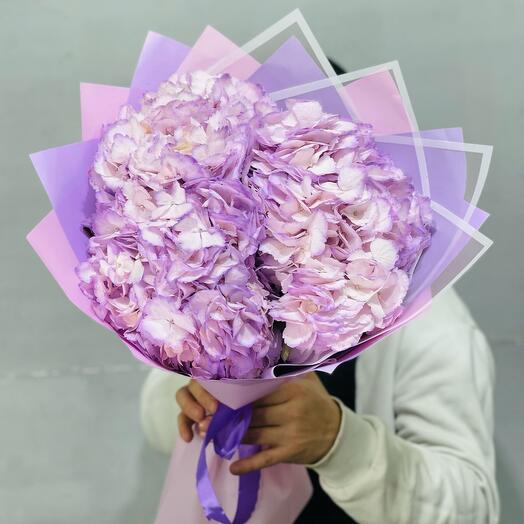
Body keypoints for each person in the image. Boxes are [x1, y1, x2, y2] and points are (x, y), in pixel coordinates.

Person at [140, 288, 499, 523]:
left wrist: (338, 442)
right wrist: (202, 396)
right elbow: (156, 425)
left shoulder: (428, 316)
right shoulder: (229, 277)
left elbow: (473, 508)